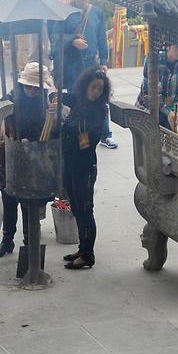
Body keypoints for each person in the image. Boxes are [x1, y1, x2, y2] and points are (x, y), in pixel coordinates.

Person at [0, 62, 57, 260]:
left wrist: (52, 118)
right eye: (27, 86)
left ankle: (30, 242)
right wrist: (3, 127)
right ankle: (7, 239)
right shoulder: (11, 98)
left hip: (33, 158)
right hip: (11, 155)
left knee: (30, 202)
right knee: (8, 199)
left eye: (35, 88)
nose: (31, 90)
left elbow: (52, 131)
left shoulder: (46, 104)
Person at [53, 0, 115, 148]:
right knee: (78, 99)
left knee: (100, 98)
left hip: (91, 63)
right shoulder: (65, 12)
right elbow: (56, 36)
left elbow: (101, 36)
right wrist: (73, 40)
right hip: (74, 64)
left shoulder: (97, 12)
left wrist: (103, 60)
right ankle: (80, 134)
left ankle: (105, 134)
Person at [60, 66, 111, 269]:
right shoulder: (78, 101)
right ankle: (82, 248)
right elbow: (58, 95)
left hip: (85, 167)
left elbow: (90, 141)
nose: (96, 91)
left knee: (85, 210)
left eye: (100, 89)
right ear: (85, 86)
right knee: (75, 207)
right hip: (70, 164)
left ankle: (88, 255)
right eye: (93, 87)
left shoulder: (99, 110)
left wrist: (78, 132)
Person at [135, 44, 178, 130]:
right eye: (177, 47)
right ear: (168, 46)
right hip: (148, 107)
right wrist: (168, 111)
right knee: (151, 138)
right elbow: (149, 92)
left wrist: (174, 110)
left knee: (170, 139)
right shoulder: (153, 59)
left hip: (169, 108)